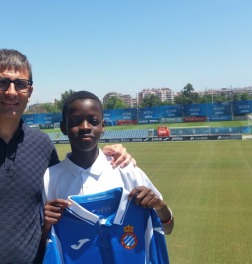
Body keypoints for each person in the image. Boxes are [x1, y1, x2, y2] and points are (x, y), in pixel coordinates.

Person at [0, 49, 135, 264]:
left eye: (20, 84)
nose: (11, 92)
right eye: (1, 82)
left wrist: (106, 155)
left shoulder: (42, 144)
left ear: (29, 93)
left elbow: (70, 188)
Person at [42, 91, 174, 262]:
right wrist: (46, 226)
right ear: (63, 127)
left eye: (93, 121)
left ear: (103, 126)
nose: (85, 127)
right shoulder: (49, 178)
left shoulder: (126, 170)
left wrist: (159, 205)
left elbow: (168, 228)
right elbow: (45, 241)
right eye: (75, 121)